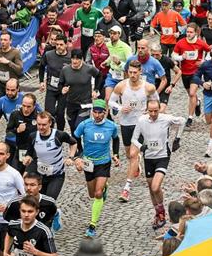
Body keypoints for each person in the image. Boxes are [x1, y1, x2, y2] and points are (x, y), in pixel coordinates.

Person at [109, 60, 158, 202]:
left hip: (141, 124)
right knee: (129, 154)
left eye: (135, 73)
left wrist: (149, 114)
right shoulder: (121, 86)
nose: (132, 75)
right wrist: (119, 108)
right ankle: (136, 162)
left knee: (133, 154)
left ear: (140, 72)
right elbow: (111, 102)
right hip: (126, 123)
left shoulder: (148, 87)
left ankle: (126, 189)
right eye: (130, 72)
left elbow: (156, 103)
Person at [132, 100, 185, 229]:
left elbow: (182, 121)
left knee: (156, 187)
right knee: (151, 188)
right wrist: (141, 147)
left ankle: (162, 213)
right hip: (148, 157)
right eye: (151, 111)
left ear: (160, 109)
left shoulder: (166, 119)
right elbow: (133, 138)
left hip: (162, 156)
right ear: (147, 110)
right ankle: (159, 214)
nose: (154, 113)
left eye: (156, 110)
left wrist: (177, 139)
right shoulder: (142, 120)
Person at [73, 99, 120, 238]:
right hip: (88, 163)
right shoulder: (84, 125)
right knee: (92, 194)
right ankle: (103, 187)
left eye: (100, 112)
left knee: (98, 193)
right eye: (95, 111)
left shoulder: (111, 126)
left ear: (105, 112)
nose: (97, 115)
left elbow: (116, 139)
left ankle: (92, 225)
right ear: (92, 111)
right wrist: (79, 156)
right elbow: (74, 139)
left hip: (104, 163)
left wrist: (116, 154)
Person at [22, 111, 77, 201]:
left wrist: (71, 157)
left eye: (44, 125)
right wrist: (28, 157)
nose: (41, 127)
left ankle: (54, 213)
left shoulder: (59, 135)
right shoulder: (33, 136)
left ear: (50, 123)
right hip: (40, 175)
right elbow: (30, 152)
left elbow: (74, 143)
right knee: (36, 200)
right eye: (39, 124)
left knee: (49, 201)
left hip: (56, 175)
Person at [172, 23, 211, 126]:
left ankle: (190, 117)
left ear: (196, 33)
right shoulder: (181, 43)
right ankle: (197, 102)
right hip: (185, 72)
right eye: (187, 32)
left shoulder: (200, 43)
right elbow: (174, 55)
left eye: (190, 32)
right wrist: (181, 58)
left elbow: (210, 52)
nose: (188, 34)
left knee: (192, 93)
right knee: (190, 94)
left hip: (196, 72)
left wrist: (204, 61)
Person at [59, 49, 101, 134]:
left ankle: (86, 142)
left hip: (85, 103)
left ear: (81, 59)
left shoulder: (89, 68)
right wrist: (62, 89)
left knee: (78, 126)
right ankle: (79, 147)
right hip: (71, 103)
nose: (74, 61)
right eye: (73, 59)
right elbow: (61, 83)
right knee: (73, 129)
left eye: (77, 59)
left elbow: (99, 76)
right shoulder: (65, 70)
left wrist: (96, 90)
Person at [38, 34, 71, 130]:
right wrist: (41, 81)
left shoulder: (71, 57)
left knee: (60, 114)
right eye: (57, 45)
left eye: (61, 44)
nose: (59, 47)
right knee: (49, 113)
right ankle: (50, 132)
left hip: (64, 90)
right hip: (51, 88)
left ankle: (60, 133)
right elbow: (41, 67)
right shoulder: (49, 55)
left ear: (66, 45)